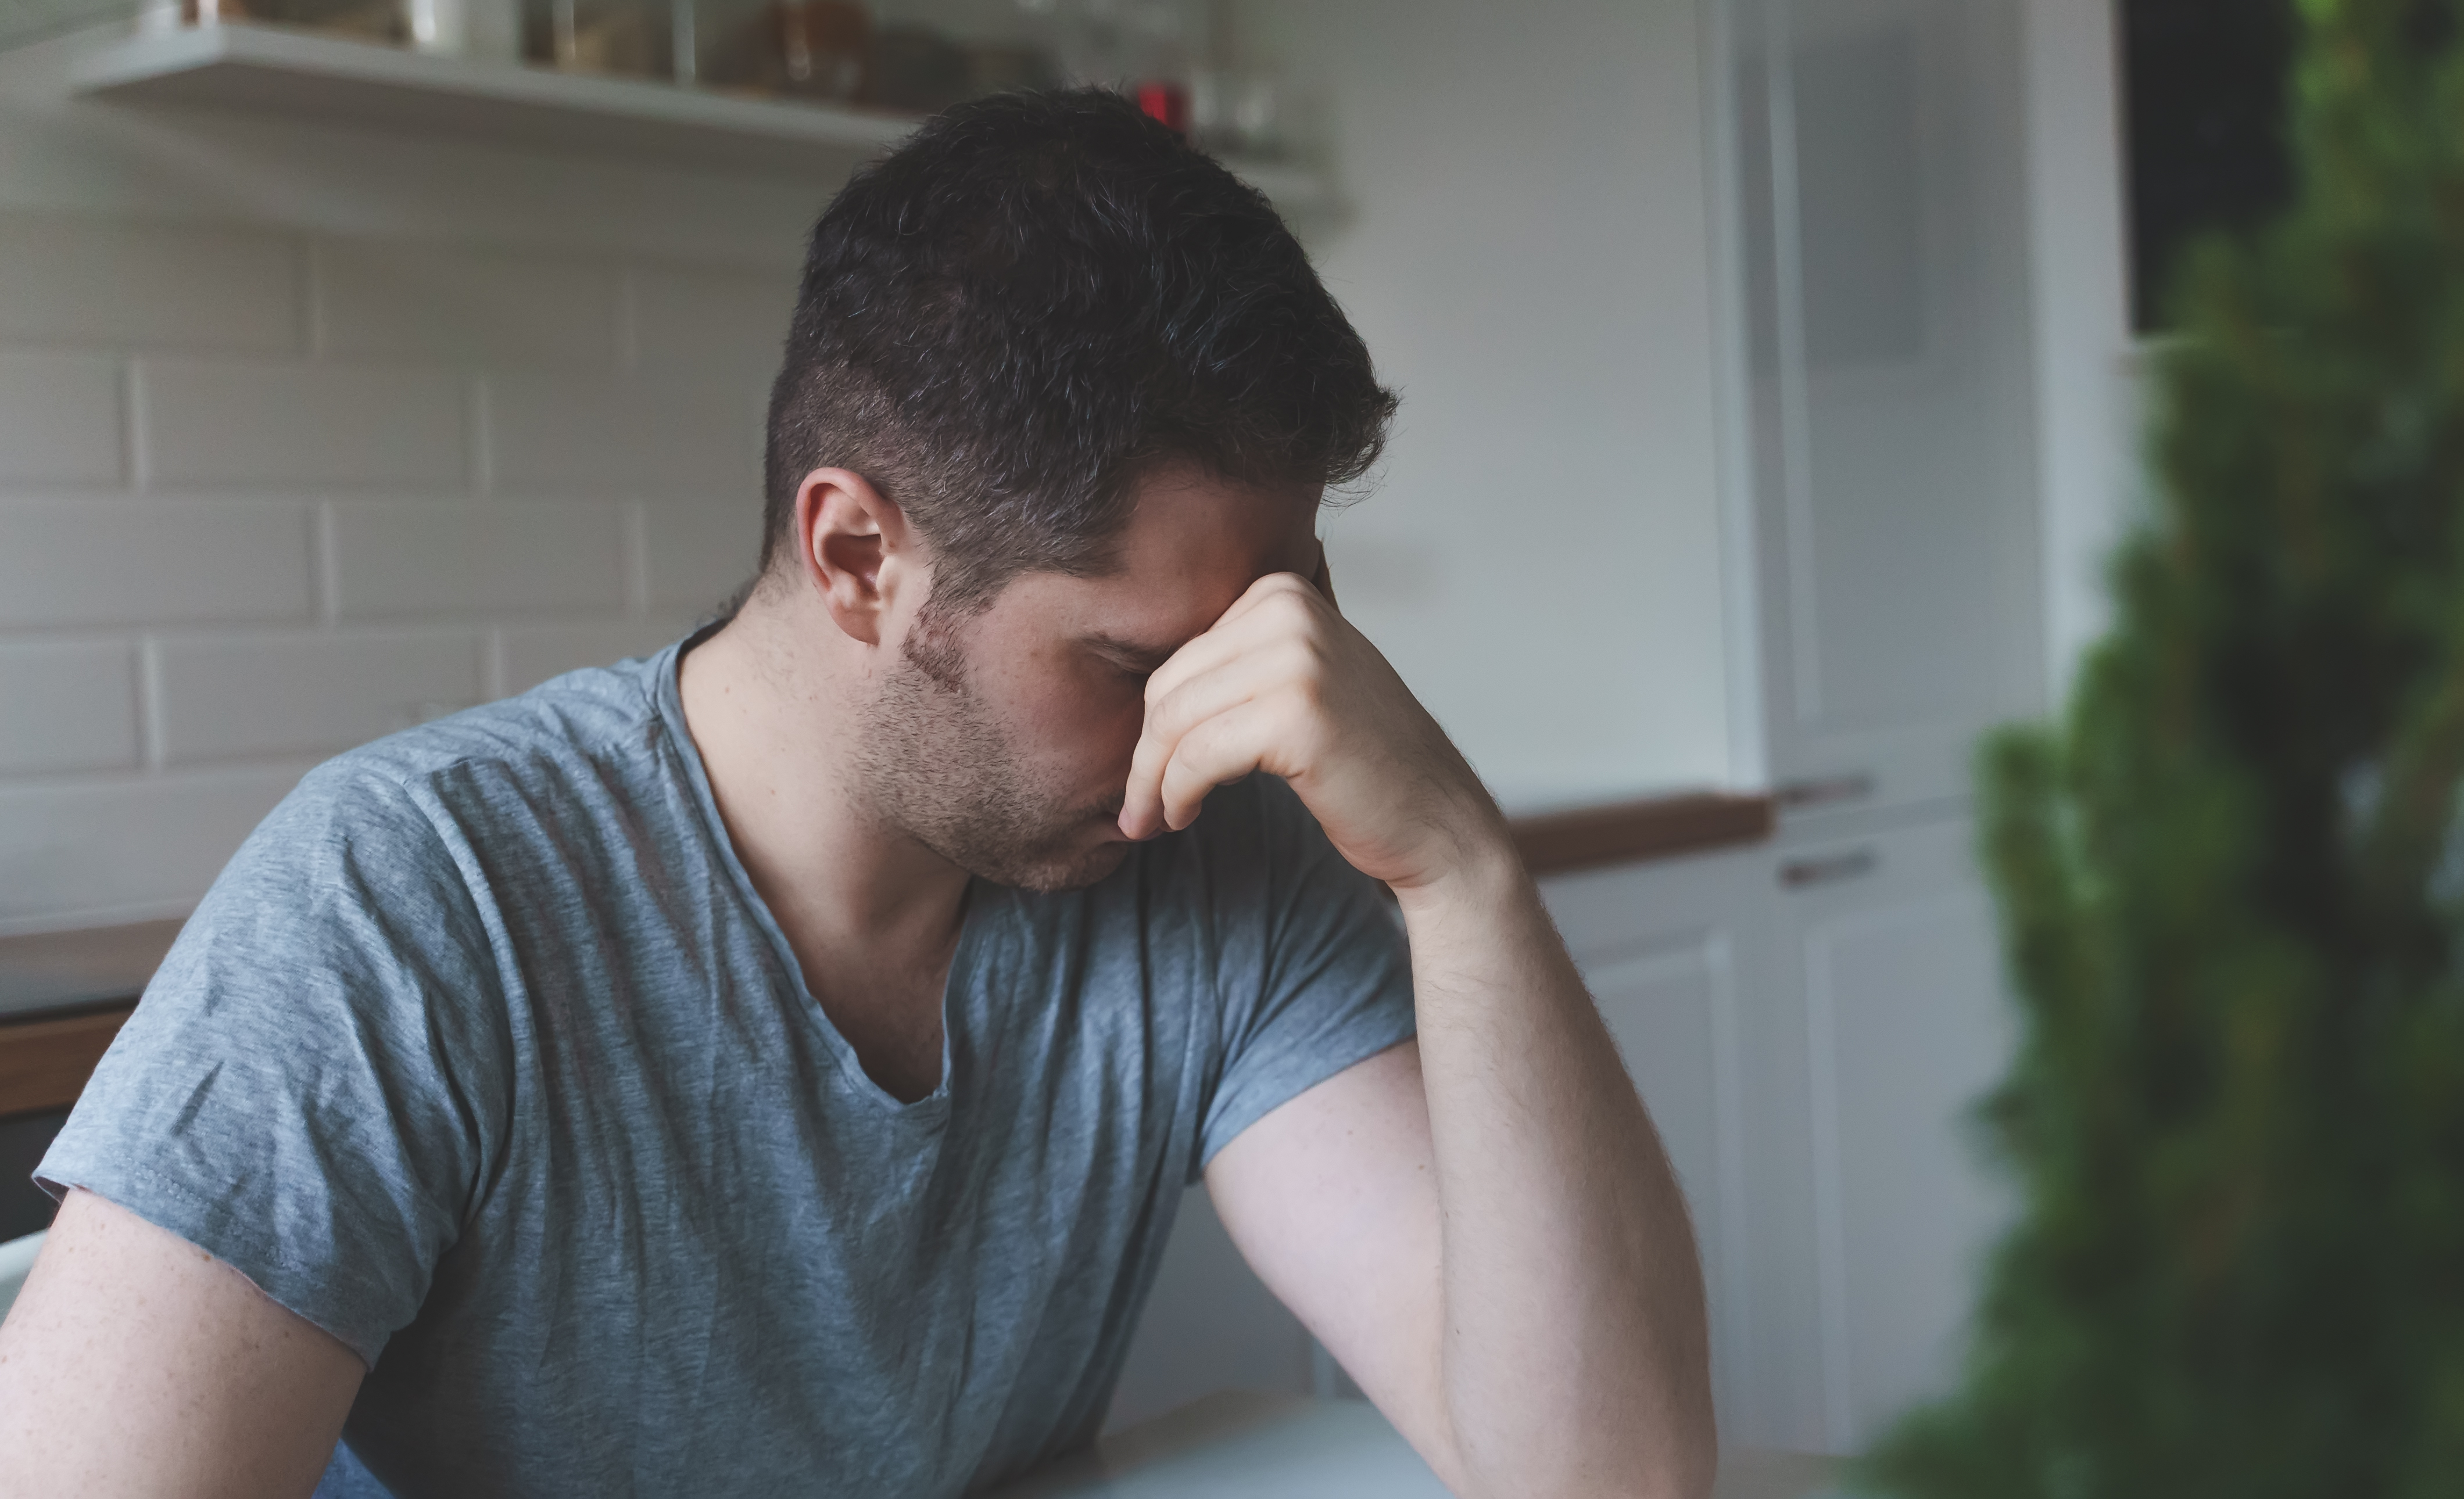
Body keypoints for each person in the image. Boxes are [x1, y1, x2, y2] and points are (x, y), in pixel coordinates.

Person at [0, 89, 1712, 1499]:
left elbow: (1604, 1476)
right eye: (1130, 662)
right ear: (858, 557)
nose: (1216, 732)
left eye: (1271, 634)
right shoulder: (408, 901)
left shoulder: (1208, 862)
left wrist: (1462, 873)